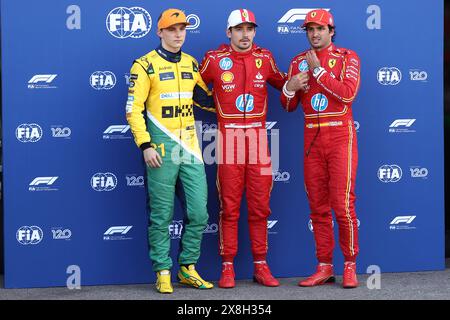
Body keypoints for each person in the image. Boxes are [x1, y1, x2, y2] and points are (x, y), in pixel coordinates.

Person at [125, 8, 215, 294]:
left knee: (199, 213)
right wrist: (145, 145)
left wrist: (236, 92)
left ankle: (187, 268)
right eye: (172, 29)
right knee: (161, 215)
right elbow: (133, 110)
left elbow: (207, 101)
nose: (178, 34)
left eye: (182, 29)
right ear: (160, 32)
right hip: (160, 149)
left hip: (190, 148)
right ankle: (162, 271)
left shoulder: (191, 64)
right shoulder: (144, 65)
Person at [200, 9, 286, 288]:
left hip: (259, 141)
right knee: (229, 207)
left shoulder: (265, 58)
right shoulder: (214, 60)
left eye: (249, 29)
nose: (245, 34)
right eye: (239, 29)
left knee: (261, 207)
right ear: (229, 33)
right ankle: (228, 267)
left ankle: (261, 265)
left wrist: (296, 83)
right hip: (228, 141)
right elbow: (191, 88)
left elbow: (284, 85)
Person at [280, 9, 361, 288]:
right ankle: (324, 266)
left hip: (340, 135)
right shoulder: (296, 61)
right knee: (317, 208)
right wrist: (290, 88)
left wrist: (318, 71)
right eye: (310, 29)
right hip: (311, 138)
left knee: (343, 205)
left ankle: (350, 264)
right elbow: (288, 106)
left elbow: (348, 93)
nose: (314, 34)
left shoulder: (347, 57)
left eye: (320, 29)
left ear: (332, 31)